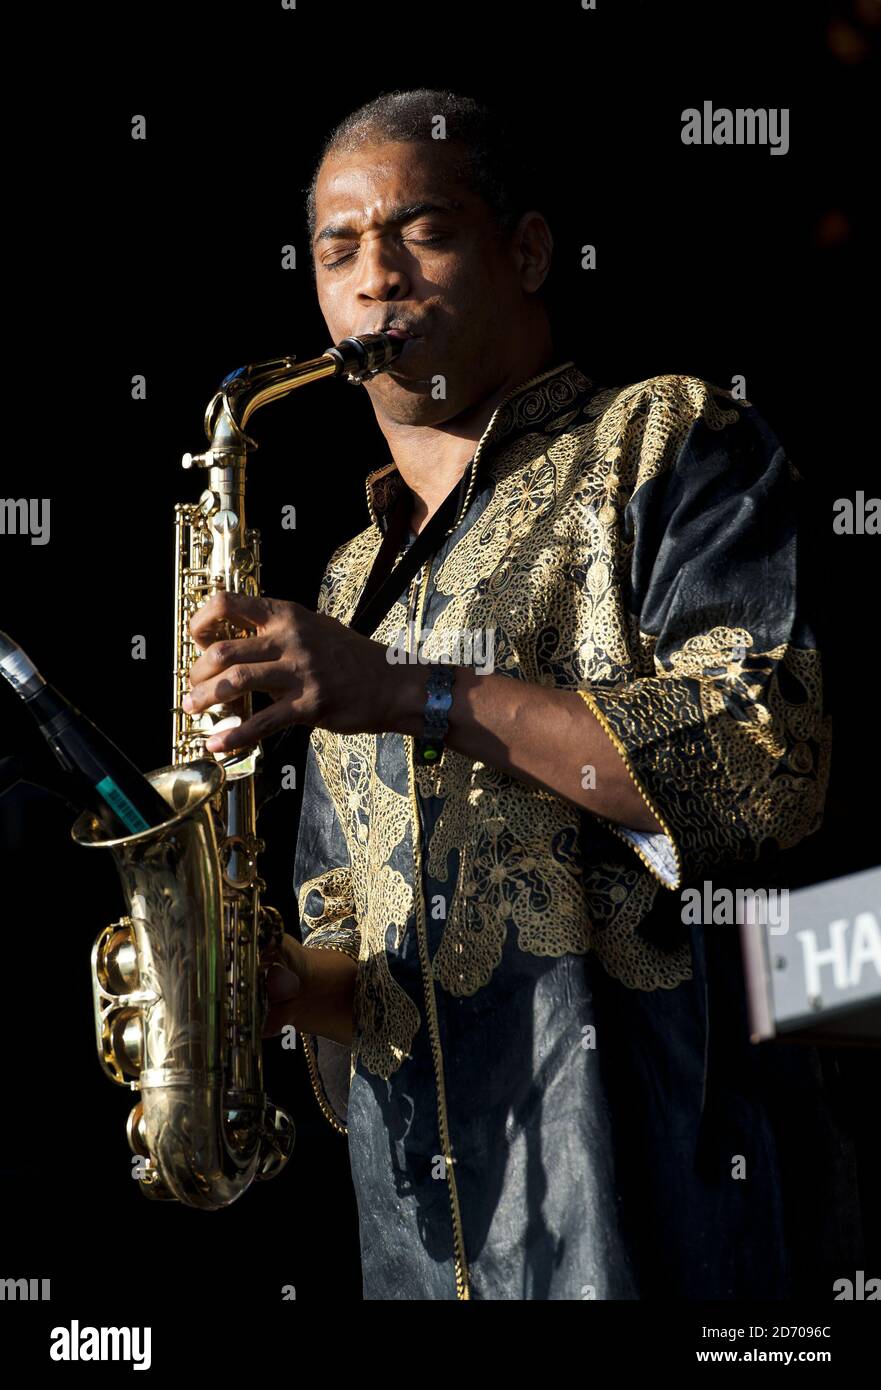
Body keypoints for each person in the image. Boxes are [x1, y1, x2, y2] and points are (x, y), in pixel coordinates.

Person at [181, 90, 863, 1300]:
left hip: (675, 1217)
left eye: (421, 233)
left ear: (529, 252)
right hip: (423, 1247)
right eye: (336, 251)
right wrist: (288, 983)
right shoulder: (342, 582)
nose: (373, 279)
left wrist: (406, 690)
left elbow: (766, 763)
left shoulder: (665, 438)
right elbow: (357, 942)